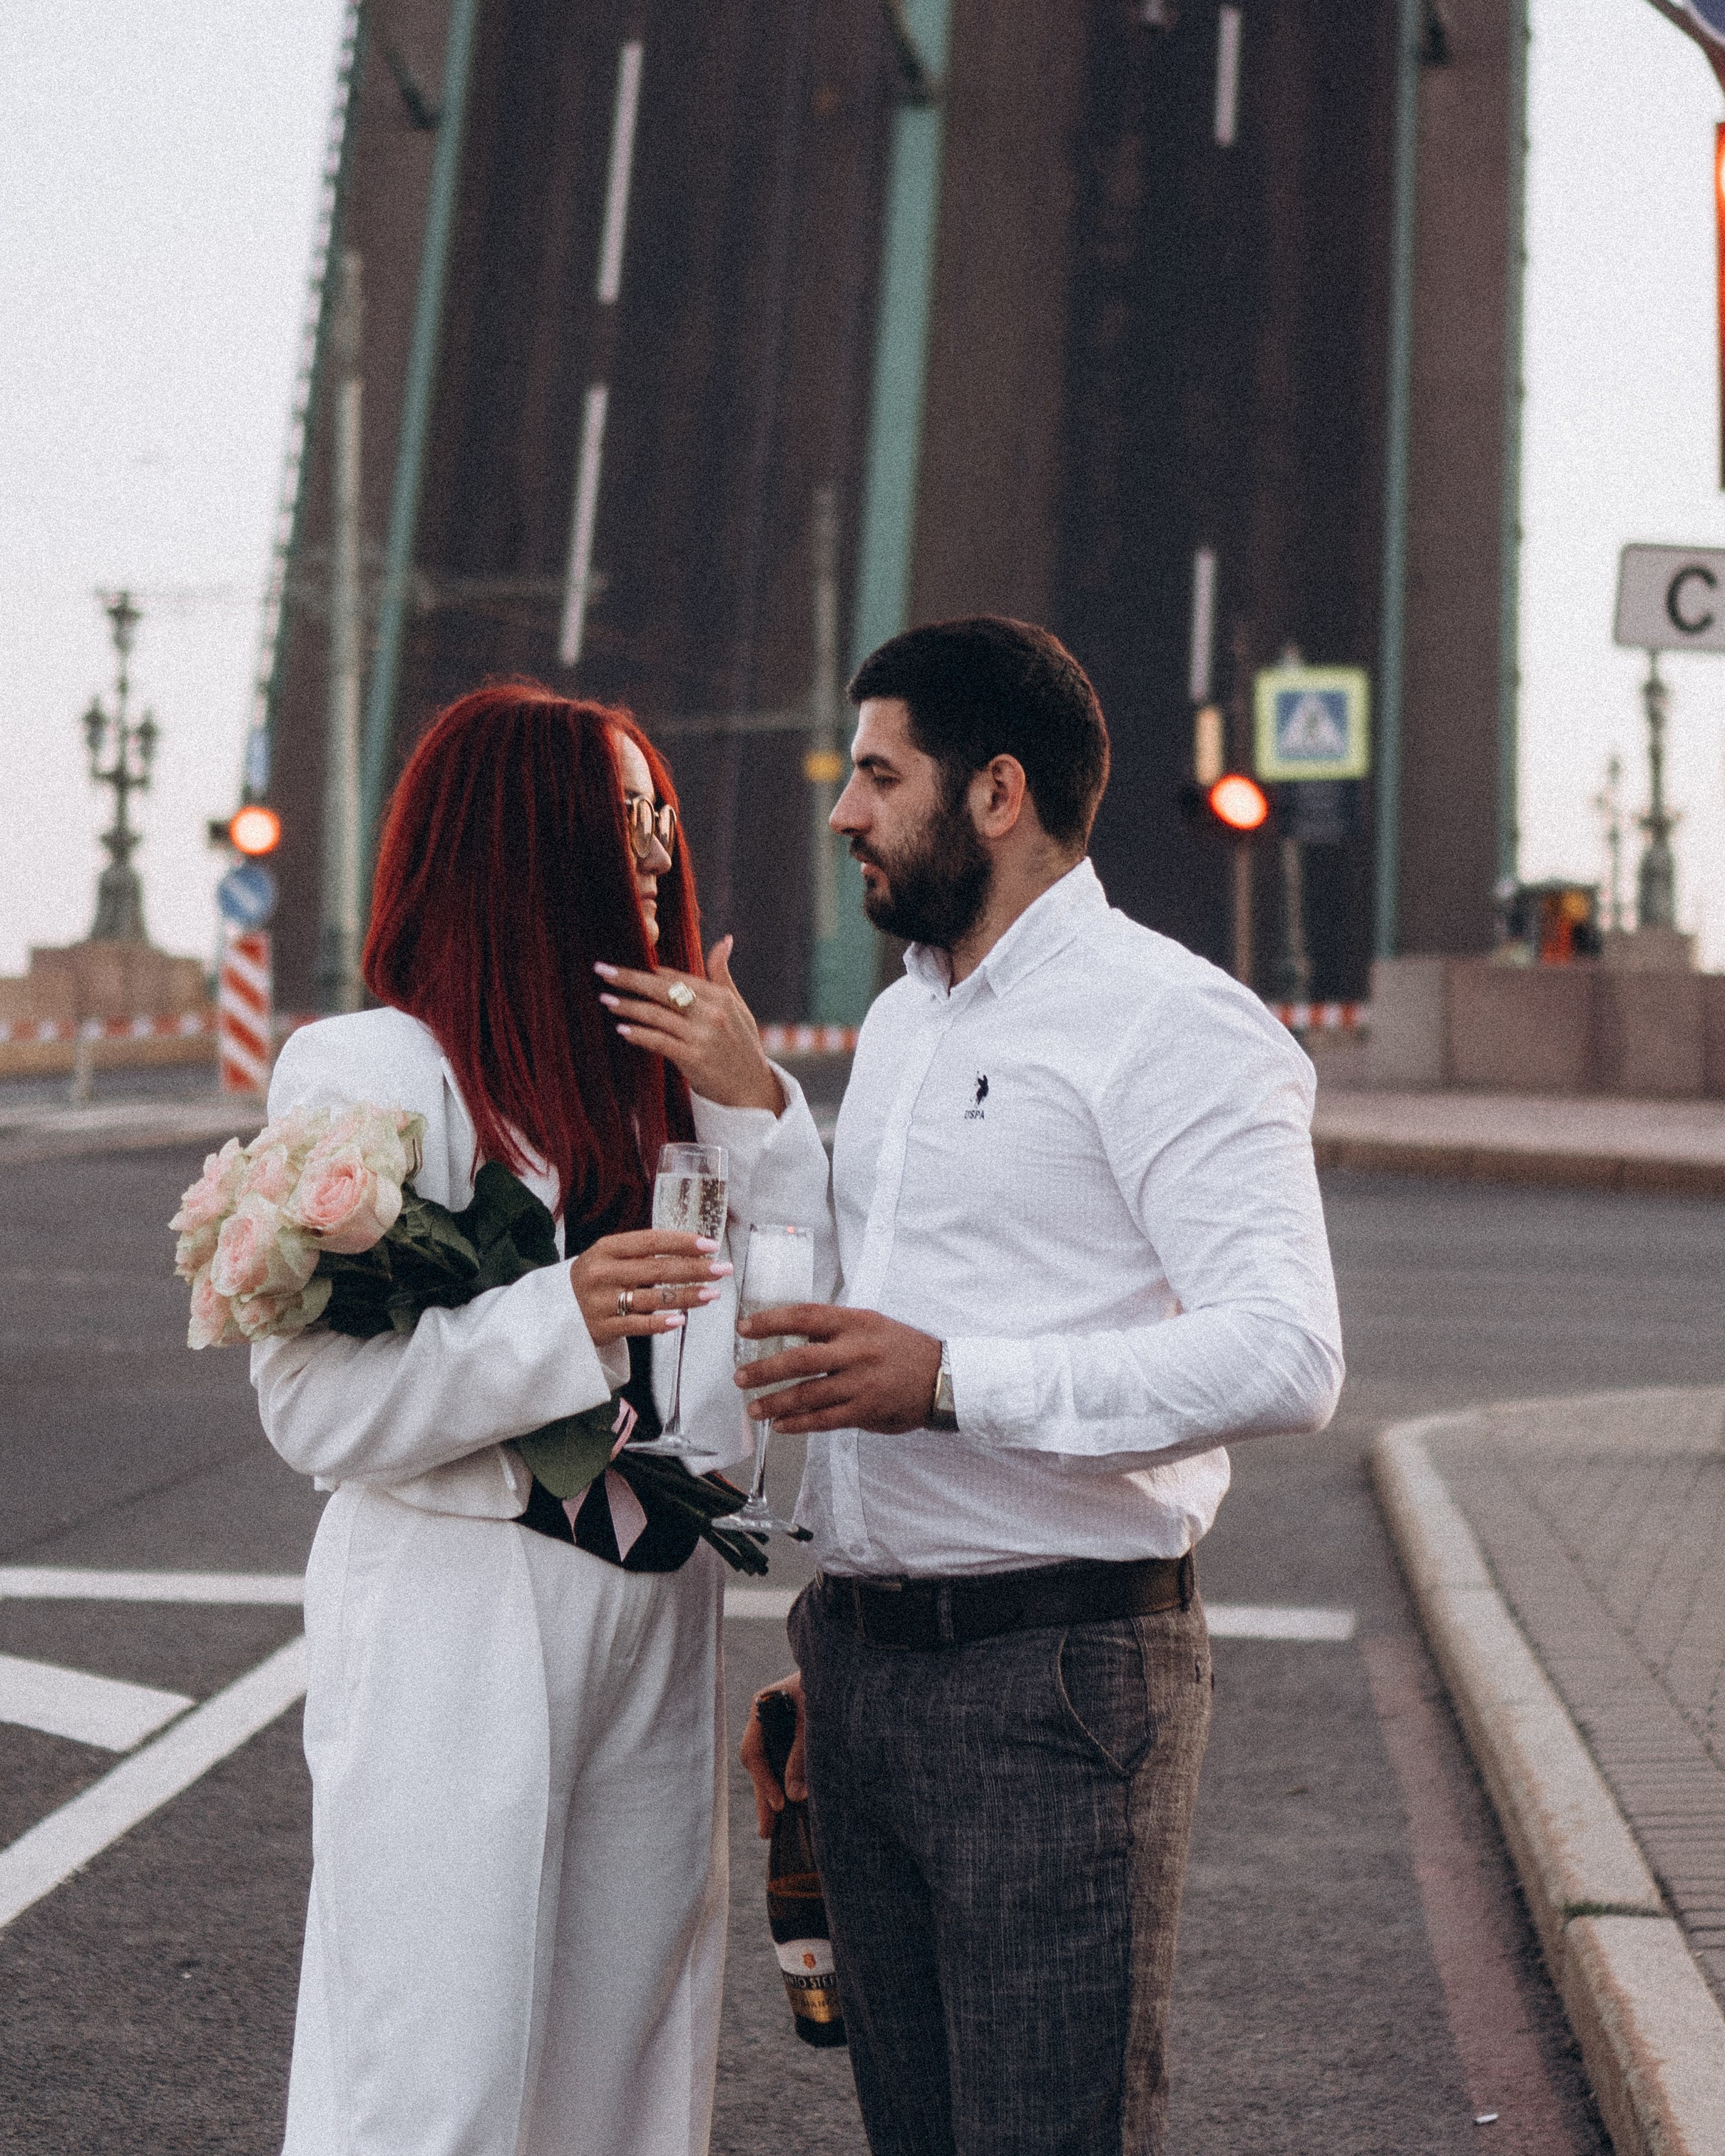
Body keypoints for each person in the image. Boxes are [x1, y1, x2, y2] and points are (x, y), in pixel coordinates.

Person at [730, 617, 1344, 2156]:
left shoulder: (1175, 1025)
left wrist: (954, 1387)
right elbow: (887, 1310)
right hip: (866, 1673)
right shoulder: (901, 1018)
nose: (842, 811)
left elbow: (1286, 1351)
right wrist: (838, 1656)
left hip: (1054, 1686)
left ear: (993, 793)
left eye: (877, 774)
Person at [252, 683, 826, 2156]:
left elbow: (793, 1350)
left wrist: (761, 1112)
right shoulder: (378, 1072)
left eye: (660, 820)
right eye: (619, 818)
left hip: (659, 1602)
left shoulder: (685, 1088)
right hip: (465, 1602)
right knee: (432, 2071)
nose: (651, 852)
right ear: (526, 836)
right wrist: (552, 1321)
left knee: (629, 2069)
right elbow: (312, 1407)